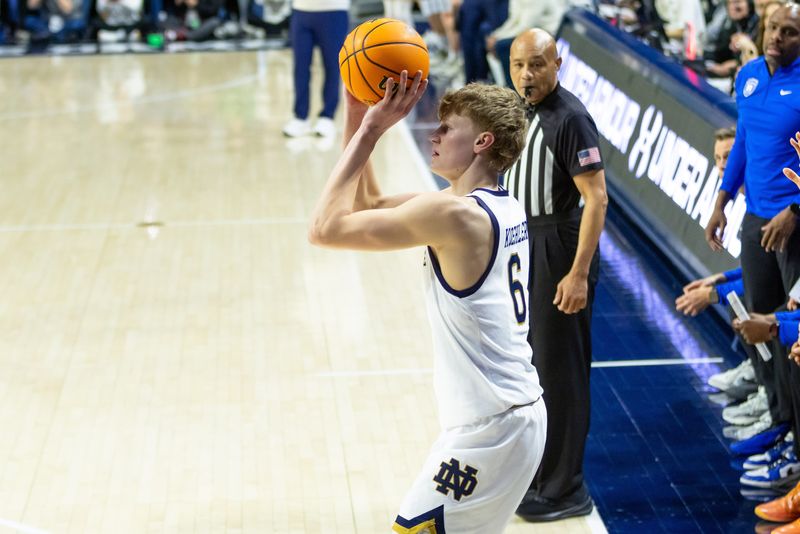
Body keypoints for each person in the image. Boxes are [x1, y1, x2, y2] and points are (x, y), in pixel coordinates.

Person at [309, 76, 547, 532]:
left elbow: (325, 228)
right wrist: (358, 113)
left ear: (482, 141)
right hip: (504, 420)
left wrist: (371, 133)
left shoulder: (455, 215)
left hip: (494, 428)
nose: (432, 136)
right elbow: (370, 201)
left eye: (446, 128)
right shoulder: (490, 204)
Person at [504, 28, 608, 522]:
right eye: (520, 64)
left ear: (557, 63)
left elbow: (597, 199)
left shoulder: (570, 119)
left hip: (558, 246)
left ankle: (565, 488)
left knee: (560, 371)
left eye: (538, 64)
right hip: (525, 243)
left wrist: (578, 273)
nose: (528, 74)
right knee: (533, 366)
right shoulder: (519, 110)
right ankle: (540, 472)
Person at [281, 0, 349, 138]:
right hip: (301, 9)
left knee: (332, 65)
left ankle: (327, 117)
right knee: (300, 66)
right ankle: (300, 117)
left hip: (334, 10)